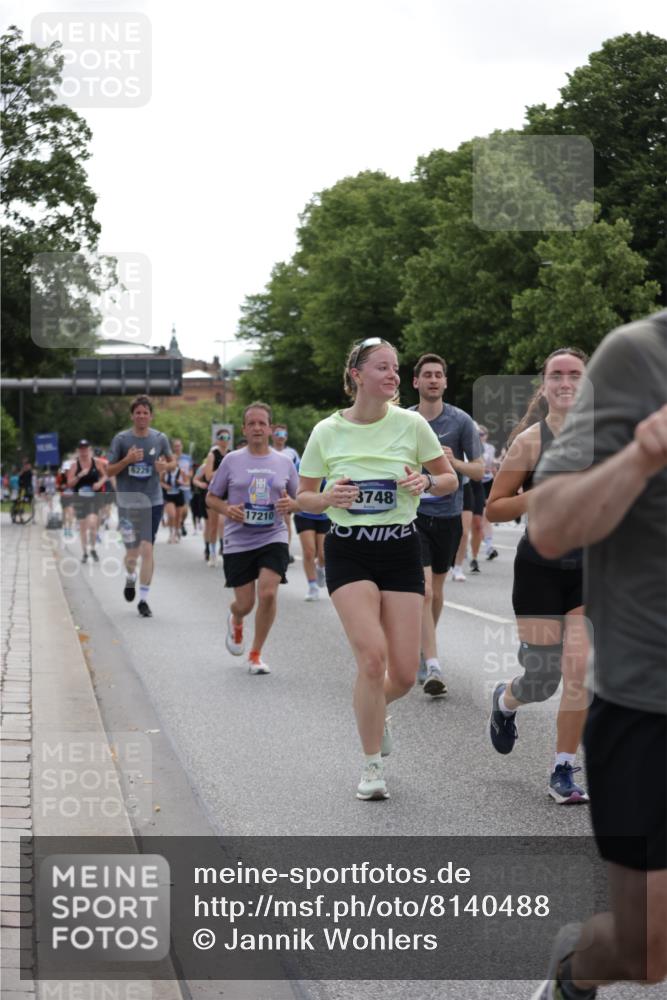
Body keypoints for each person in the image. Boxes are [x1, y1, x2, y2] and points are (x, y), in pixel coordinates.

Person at [526, 313, 666, 999]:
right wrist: (641, 454)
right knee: (646, 952)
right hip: (650, 700)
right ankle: (574, 968)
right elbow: (548, 525)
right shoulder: (640, 358)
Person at [298, 338, 457, 801]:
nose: (393, 375)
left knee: (405, 675)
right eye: (383, 368)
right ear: (357, 376)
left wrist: (425, 480)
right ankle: (371, 767)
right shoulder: (326, 431)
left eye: (395, 368)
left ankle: (374, 708)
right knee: (371, 659)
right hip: (349, 550)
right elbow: (304, 495)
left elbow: (448, 479)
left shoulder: (410, 425)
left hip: (401, 549)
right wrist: (327, 498)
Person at [486, 348, 590, 803]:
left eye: (575, 374)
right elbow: (495, 507)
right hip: (539, 570)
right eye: (557, 375)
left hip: (589, 567)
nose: (566, 382)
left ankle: (563, 769)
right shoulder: (530, 441)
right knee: (543, 680)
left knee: (580, 670)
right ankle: (506, 700)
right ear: (545, 385)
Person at [409, 354, 483, 694]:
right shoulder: (403, 420)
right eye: (427, 375)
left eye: (439, 375)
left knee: (437, 591)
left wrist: (454, 463)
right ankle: (433, 663)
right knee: (423, 590)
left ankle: (426, 647)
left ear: (445, 382)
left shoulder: (461, 421)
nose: (434, 380)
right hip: (413, 516)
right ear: (416, 382)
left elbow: (481, 471)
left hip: (449, 514)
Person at [207, 403, 299, 675]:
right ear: (245, 429)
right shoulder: (231, 460)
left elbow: (300, 497)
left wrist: (291, 505)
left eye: (263, 423)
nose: (257, 428)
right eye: (252, 424)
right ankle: (236, 617)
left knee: (268, 593)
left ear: (270, 429)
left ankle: (256, 654)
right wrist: (226, 509)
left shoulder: (284, 462)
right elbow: (211, 497)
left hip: (273, 534)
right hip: (239, 539)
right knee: (245, 603)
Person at [106, 395, 176, 618]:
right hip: (128, 501)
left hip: (152, 501)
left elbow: (173, 462)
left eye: (146, 412)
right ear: (132, 415)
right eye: (138, 412)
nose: (142, 416)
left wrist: (165, 466)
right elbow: (108, 471)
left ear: (151, 415)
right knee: (132, 554)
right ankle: (130, 577)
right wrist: (126, 461)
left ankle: (143, 600)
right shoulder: (121, 439)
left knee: (147, 549)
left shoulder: (159, 438)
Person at [67, 441, 108, 563]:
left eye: (85, 448)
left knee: (92, 523)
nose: (83, 451)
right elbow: (69, 483)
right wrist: (79, 475)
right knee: (83, 527)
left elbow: (105, 475)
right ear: (78, 450)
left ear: (89, 449)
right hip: (79, 499)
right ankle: (85, 552)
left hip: (94, 498)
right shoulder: (74, 465)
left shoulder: (97, 462)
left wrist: (99, 483)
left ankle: (93, 548)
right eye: (81, 449)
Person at [293, 486, 329, 601]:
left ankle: (320, 566)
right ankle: (312, 586)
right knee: (309, 552)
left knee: (323, 554)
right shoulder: (298, 467)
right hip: (304, 514)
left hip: (325, 516)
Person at [271, 423, 300, 563]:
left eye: (283, 434)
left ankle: (285, 550)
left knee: (287, 520)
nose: (280, 437)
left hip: (285, 492)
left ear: (287, 437)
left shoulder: (292, 453)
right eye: (277, 434)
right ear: (272, 436)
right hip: (268, 491)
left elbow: (299, 472)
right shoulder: (268, 450)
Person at [202, 429, 231, 565]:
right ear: (217, 439)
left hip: (229, 493)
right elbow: (208, 476)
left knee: (224, 523)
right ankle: (212, 552)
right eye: (222, 437)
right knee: (213, 525)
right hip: (215, 493)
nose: (224, 439)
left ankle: (227, 550)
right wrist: (223, 470)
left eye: (227, 437)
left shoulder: (232, 455)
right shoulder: (212, 455)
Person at [160, 444, 187, 543]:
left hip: (178, 494)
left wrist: (182, 483)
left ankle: (176, 532)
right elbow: (160, 481)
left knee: (178, 516)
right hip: (168, 495)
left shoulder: (181, 471)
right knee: (172, 515)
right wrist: (165, 485)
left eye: (173, 461)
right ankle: (171, 533)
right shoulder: (164, 472)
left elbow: (187, 482)